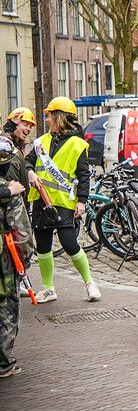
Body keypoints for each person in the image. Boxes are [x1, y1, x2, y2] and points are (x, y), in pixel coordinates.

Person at [26, 97, 99, 304]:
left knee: (69, 243)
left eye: (50, 115)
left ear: (59, 117)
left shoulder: (77, 144)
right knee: (43, 246)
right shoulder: (42, 142)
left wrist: (82, 201)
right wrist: (30, 171)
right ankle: (48, 289)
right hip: (41, 201)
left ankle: (89, 283)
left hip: (64, 202)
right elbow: (28, 162)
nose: (47, 119)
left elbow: (84, 175)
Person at [0, 137, 34, 378]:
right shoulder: (11, 191)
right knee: (6, 305)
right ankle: (4, 362)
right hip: (4, 256)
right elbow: (21, 233)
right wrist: (24, 261)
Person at [2, 107, 36, 195]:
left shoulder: (19, 148)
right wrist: (10, 126)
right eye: (25, 125)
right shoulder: (6, 148)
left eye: (30, 127)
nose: (28, 129)